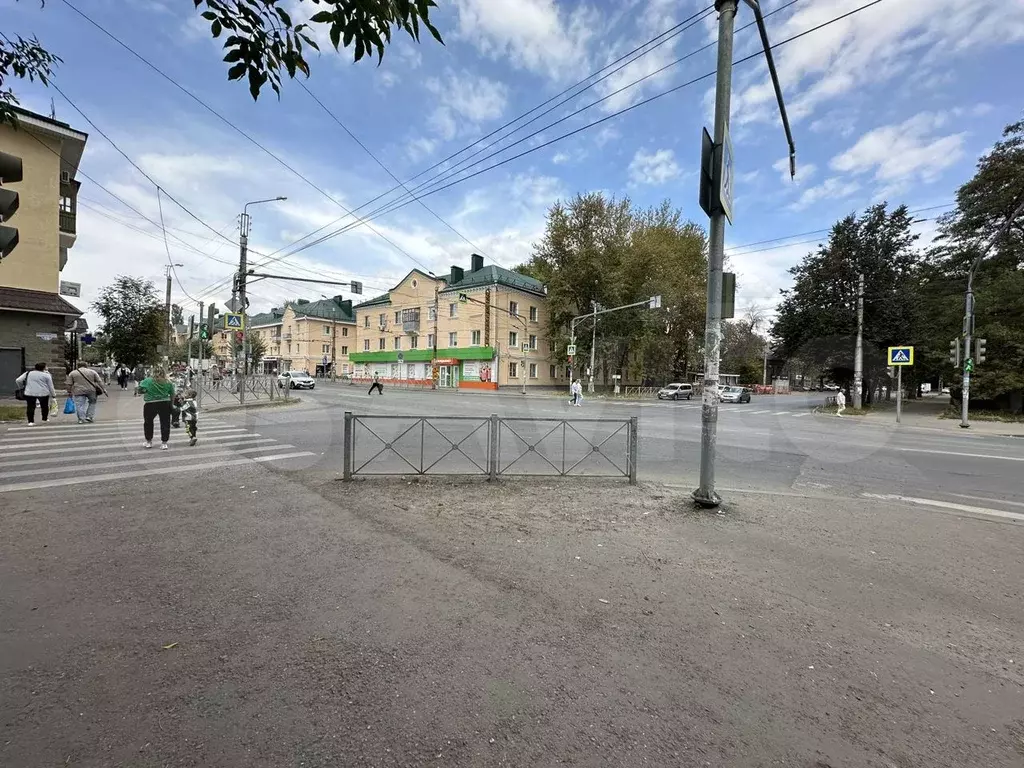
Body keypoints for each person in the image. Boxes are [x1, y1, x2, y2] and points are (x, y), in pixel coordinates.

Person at [137, 368, 175, 450]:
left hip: (150, 404)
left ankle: (149, 442)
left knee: (148, 422)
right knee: (165, 423)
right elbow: (172, 393)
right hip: (165, 403)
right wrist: (171, 404)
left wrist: (145, 390)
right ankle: (164, 443)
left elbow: (140, 390)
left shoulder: (147, 381)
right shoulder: (168, 382)